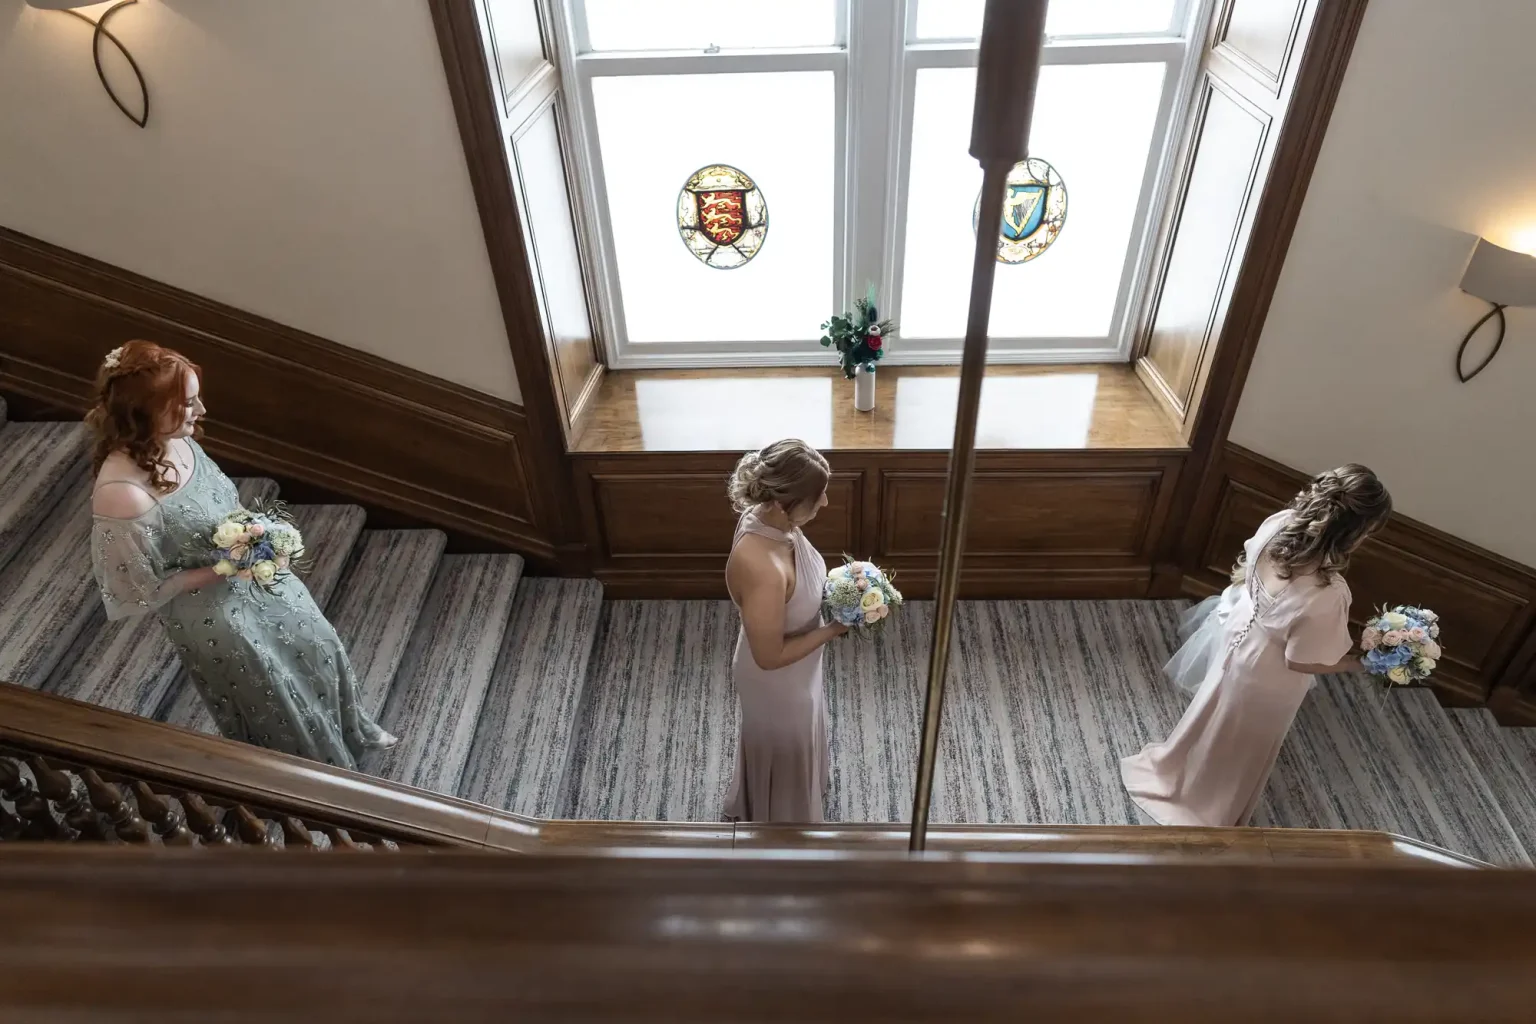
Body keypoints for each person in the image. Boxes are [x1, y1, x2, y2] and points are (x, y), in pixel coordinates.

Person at [86, 340, 396, 768]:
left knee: (317, 646)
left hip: (253, 573)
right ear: (145, 413)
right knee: (276, 692)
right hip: (217, 617)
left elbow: (218, 506)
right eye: (188, 403)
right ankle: (318, 775)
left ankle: (349, 731)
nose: (202, 411)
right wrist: (226, 566)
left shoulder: (176, 440)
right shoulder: (123, 496)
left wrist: (261, 536)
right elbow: (135, 591)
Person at [1121, 464, 1392, 827]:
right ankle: (1205, 805)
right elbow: (1302, 661)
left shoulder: (1279, 524)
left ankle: (1176, 771)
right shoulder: (1328, 593)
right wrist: (1363, 663)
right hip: (1269, 674)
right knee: (1241, 741)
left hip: (1239, 633)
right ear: (1356, 532)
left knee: (1213, 712)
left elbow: (1249, 571)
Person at [723, 439, 848, 822]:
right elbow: (769, 656)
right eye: (818, 496)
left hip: (800, 665)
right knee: (787, 742)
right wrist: (834, 630)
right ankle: (781, 821)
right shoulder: (762, 567)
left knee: (805, 726)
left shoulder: (771, 518)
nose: (825, 503)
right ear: (783, 502)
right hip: (777, 680)